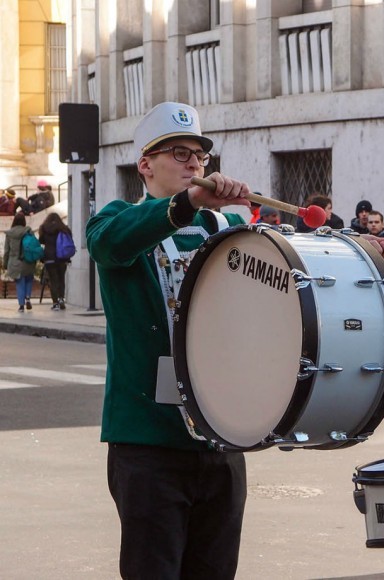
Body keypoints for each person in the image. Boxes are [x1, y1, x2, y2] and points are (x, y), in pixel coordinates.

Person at [86, 101, 253, 579]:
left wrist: (356, 255)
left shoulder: (226, 230)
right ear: (146, 164)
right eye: (178, 154)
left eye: (198, 155)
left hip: (220, 441)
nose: (192, 164)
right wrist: (186, 205)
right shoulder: (117, 219)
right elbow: (112, 242)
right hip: (148, 444)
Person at [38, 212, 73, 310]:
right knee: (61, 279)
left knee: (53, 281)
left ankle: (55, 303)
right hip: (62, 258)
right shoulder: (64, 229)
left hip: (49, 258)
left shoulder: (44, 228)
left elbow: (41, 241)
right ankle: (61, 299)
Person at [3, 212, 36, 312]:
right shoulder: (29, 232)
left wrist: (5, 264)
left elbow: (6, 251)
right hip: (28, 261)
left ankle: (21, 306)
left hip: (15, 262)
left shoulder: (9, 234)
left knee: (20, 283)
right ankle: (28, 298)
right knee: (29, 280)